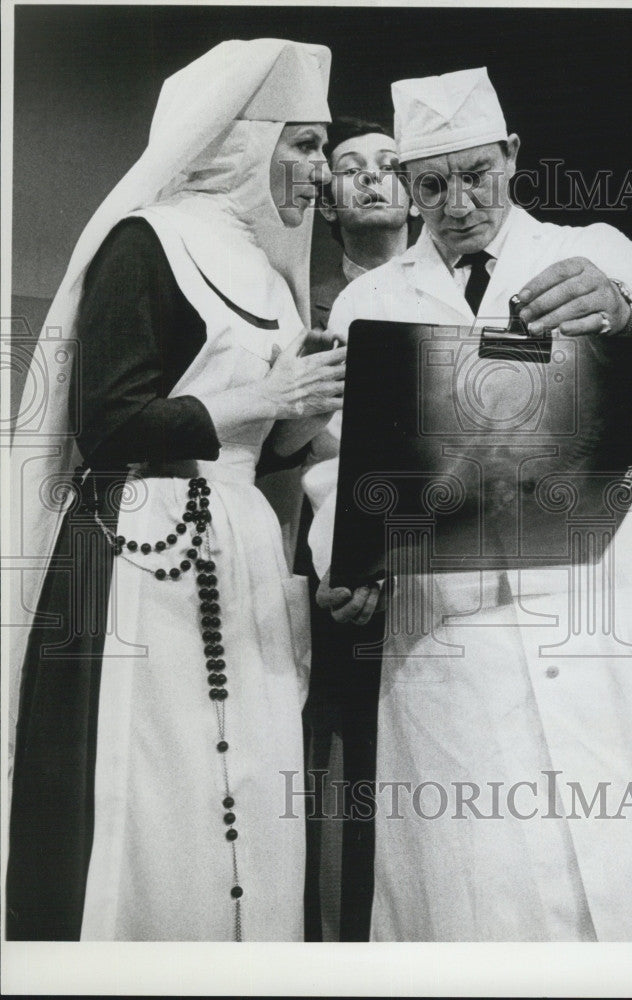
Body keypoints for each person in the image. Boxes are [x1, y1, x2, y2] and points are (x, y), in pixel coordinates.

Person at [313, 67, 632, 941]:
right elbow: (336, 461)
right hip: (452, 623)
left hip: (607, 592)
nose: (458, 202)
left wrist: (620, 308)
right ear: (405, 183)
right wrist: (349, 562)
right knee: (490, 885)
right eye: (430, 184)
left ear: (512, 156)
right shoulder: (370, 300)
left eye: (478, 174)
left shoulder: (585, 248)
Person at [6, 39, 346, 942]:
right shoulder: (148, 241)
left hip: (237, 551)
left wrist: (302, 415)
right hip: (142, 550)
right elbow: (109, 425)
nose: (322, 171)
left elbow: (259, 450)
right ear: (244, 137)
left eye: (322, 147)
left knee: (251, 785)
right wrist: (266, 395)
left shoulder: (270, 275)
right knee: (151, 790)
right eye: (304, 145)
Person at [301, 117, 412, 941]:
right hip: (333, 570)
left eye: (389, 164)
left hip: (442, 571)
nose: (373, 178)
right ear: (330, 200)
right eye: (350, 167)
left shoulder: (464, 296)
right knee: (317, 766)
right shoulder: (296, 309)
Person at [310, 116, 412, 329]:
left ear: (415, 201)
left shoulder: (457, 287)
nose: (371, 176)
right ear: (328, 207)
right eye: (352, 171)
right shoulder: (303, 309)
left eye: (387, 167)